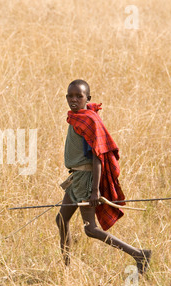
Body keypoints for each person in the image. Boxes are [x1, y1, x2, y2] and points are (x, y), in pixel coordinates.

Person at [56, 79, 151, 274]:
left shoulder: (89, 121)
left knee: (90, 229)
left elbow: (98, 157)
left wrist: (95, 190)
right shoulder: (77, 117)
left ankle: (139, 254)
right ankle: (65, 267)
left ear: (87, 98)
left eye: (79, 96)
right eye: (70, 96)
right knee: (61, 219)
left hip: (86, 180)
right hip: (76, 179)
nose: (73, 100)